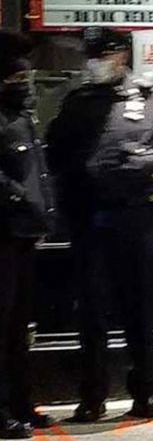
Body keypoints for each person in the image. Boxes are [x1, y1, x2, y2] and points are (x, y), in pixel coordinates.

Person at [47, 27, 153, 422]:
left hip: (135, 216)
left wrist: (150, 162)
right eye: (91, 55)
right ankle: (92, 397)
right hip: (88, 220)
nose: (94, 62)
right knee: (92, 314)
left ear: (121, 56)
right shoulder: (77, 102)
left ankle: (146, 394)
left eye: (101, 54)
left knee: (139, 311)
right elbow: (55, 156)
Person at [0, 32, 54, 438]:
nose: (25, 84)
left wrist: (41, 214)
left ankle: (21, 402)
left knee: (20, 329)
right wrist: (22, 202)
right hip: (2, 234)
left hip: (24, 237)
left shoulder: (23, 117)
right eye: (17, 79)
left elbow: (38, 172)